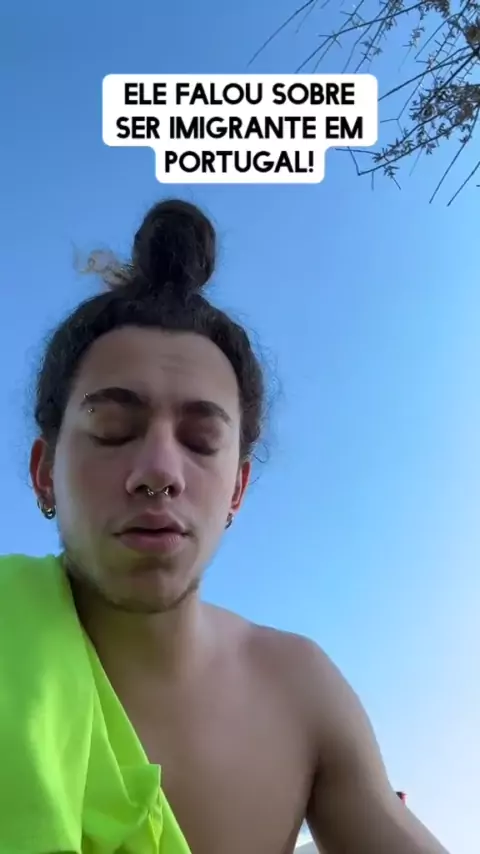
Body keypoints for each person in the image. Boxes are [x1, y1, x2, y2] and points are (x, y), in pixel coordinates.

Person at [4, 199, 449, 853]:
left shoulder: (300, 691)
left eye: (201, 441)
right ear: (45, 472)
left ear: (237, 489)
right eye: (114, 430)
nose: (159, 472)